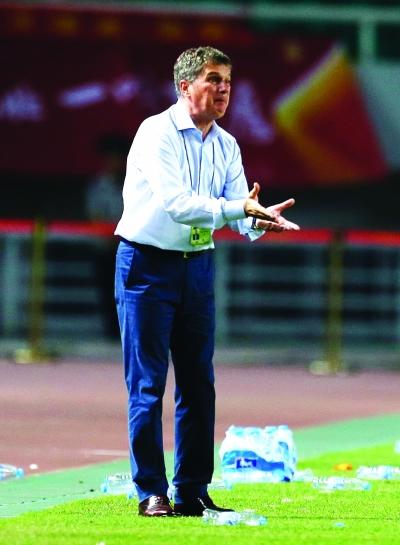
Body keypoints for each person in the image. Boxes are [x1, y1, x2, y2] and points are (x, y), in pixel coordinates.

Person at [114, 46, 299, 517]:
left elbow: (239, 209)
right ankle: (150, 491)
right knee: (147, 385)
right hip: (147, 265)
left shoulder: (227, 144)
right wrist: (239, 208)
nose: (224, 89)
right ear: (185, 86)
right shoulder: (155, 132)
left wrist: (260, 220)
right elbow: (178, 204)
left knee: (199, 383)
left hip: (196, 266)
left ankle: (193, 490)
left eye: (228, 82)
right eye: (213, 80)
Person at [85, 134, 130, 339]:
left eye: (118, 157)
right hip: (107, 250)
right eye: (110, 158)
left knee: (134, 296)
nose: (114, 162)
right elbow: (95, 217)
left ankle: (133, 334)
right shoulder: (98, 186)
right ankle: (112, 335)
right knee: (109, 293)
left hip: (134, 250)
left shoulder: (138, 182)